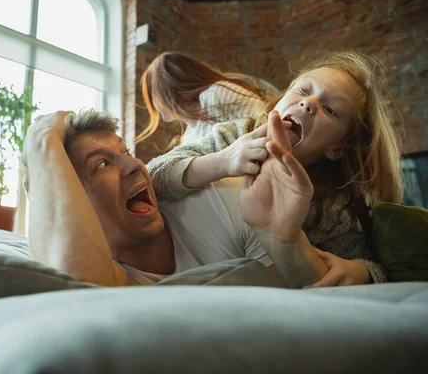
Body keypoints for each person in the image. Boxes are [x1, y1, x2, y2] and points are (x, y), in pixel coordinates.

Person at [147, 51, 403, 286]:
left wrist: (363, 272)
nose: (307, 104)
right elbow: (154, 177)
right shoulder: (235, 134)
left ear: (336, 148)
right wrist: (223, 160)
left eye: (329, 109)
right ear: (279, 102)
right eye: (302, 90)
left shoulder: (334, 204)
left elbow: (370, 267)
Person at [22, 109, 331, 288]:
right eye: (102, 165)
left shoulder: (220, 201)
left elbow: (310, 296)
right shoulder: (104, 272)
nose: (135, 165)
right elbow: (76, 291)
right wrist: (41, 141)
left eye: (125, 152)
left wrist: (284, 240)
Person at [135, 52, 279, 147]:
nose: (153, 104)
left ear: (168, 91)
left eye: (154, 95)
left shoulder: (214, 95)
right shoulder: (189, 135)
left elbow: (266, 125)